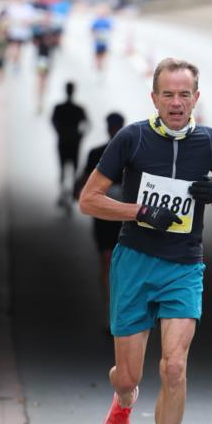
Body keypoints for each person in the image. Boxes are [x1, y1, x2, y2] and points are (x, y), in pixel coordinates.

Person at [79, 57, 212, 424]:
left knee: (174, 366)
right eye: (167, 94)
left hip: (185, 265)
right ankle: (123, 402)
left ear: (196, 98)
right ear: (154, 97)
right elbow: (88, 200)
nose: (176, 102)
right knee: (128, 376)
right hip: (134, 262)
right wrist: (139, 211)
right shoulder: (131, 139)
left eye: (184, 94)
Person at [75, 113, 125, 328]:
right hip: (110, 216)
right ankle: (114, 312)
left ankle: (116, 311)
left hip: (122, 216)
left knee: (110, 264)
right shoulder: (98, 153)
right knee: (111, 263)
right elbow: (85, 181)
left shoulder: (133, 155)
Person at [51, 82, 90, 197]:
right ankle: (70, 191)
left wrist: (59, 131)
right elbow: (88, 124)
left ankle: (64, 191)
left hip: (64, 141)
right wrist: (80, 135)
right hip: (74, 142)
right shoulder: (78, 109)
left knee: (63, 167)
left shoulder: (59, 108)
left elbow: (53, 121)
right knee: (73, 167)